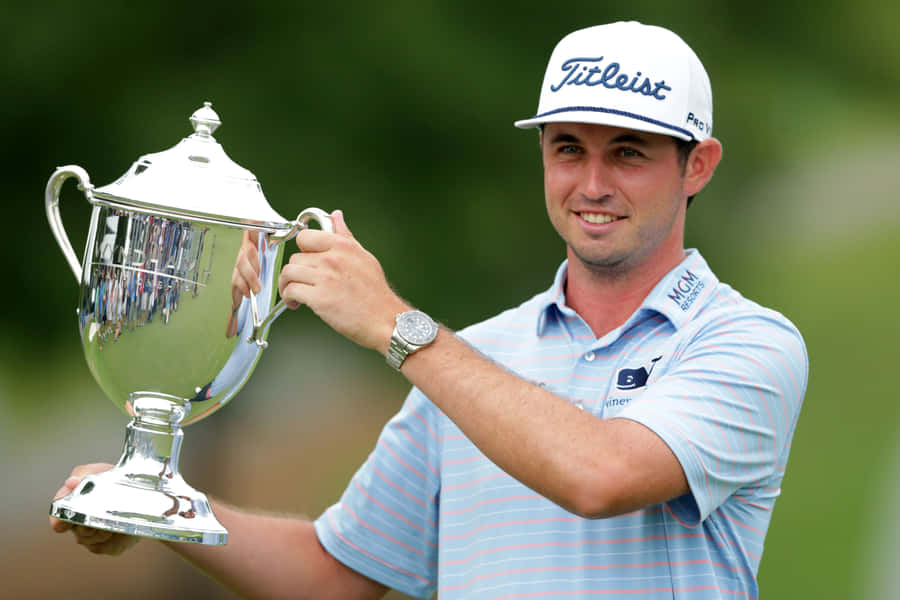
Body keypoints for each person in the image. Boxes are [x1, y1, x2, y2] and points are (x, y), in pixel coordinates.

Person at [51, 21, 807, 599]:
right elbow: (335, 574)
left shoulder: (748, 344)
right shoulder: (471, 359)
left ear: (697, 165)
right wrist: (158, 508)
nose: (593, 183)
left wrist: (393, 325)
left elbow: (599, 474)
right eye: (569, 148)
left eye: (631, 153)